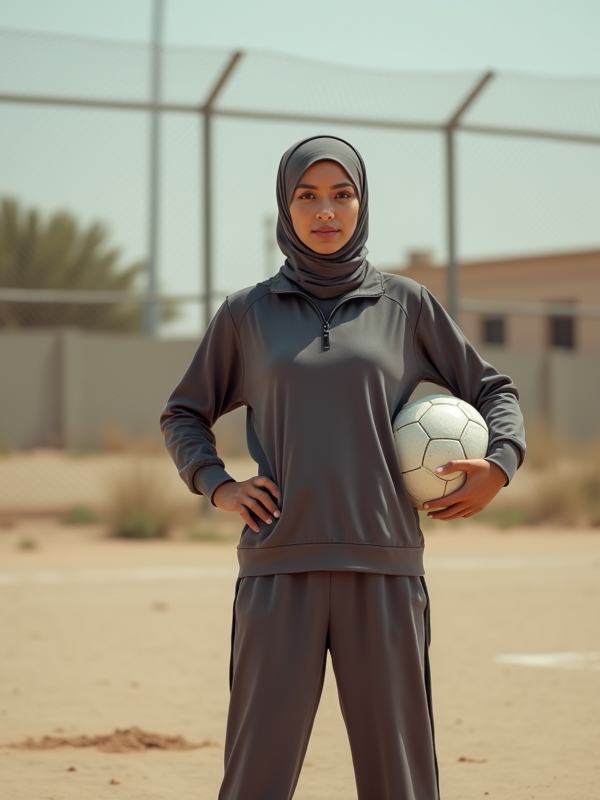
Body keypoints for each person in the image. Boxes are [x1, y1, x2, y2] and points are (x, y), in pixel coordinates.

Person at [160, 135, 526, 800]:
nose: (325, 211)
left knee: (400, 781)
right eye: (307, 196)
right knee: (255, 777)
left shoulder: (407, 305)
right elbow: (184, 413)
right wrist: (218, 485)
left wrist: (498, 466)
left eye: (341, 194)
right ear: (285, 206)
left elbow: (493, 390)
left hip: (384, 566)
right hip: (279, 565)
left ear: (362, 204)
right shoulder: (246, 314)